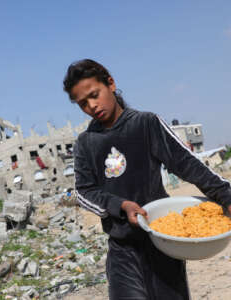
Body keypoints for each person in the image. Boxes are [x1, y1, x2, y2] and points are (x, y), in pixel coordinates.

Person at [63, 59, 231, 300]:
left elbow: (187, 163)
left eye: (94, 95)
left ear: (110, 84)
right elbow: (84, 192)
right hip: (123, 249)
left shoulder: (145, 124)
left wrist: (225, 196)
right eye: (83, 104)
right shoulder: (86, 143)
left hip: (163, 243)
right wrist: (120, 206)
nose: (92, 106)